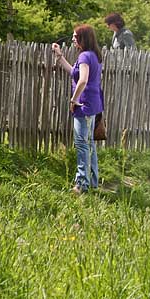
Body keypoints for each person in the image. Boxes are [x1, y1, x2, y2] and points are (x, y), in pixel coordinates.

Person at [52, 25, 103, 195]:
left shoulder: (84, 56)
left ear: (83, 38)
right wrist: (60, 56)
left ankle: (81, 185)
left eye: (75, 36)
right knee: (89, 144)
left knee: (82, 145)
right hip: (92, 105)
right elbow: (73, 72)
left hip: (84, 105)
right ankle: (93, 183)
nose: (73, 39)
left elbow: (82, 80)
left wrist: (74, 99)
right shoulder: (92, 56)